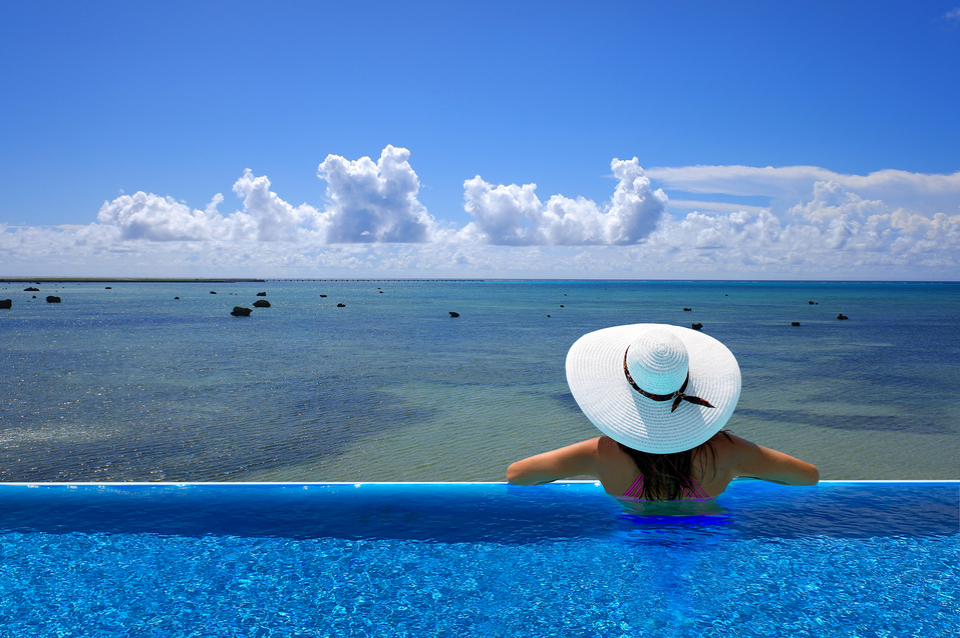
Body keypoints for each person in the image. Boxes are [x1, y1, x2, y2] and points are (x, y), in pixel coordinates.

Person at [506, 324, 819, 501]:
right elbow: (808, 477)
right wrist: (744, 468)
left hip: (634, 546)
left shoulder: (599, 454)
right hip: (706, 543)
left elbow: (517, 475)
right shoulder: (729, 452)